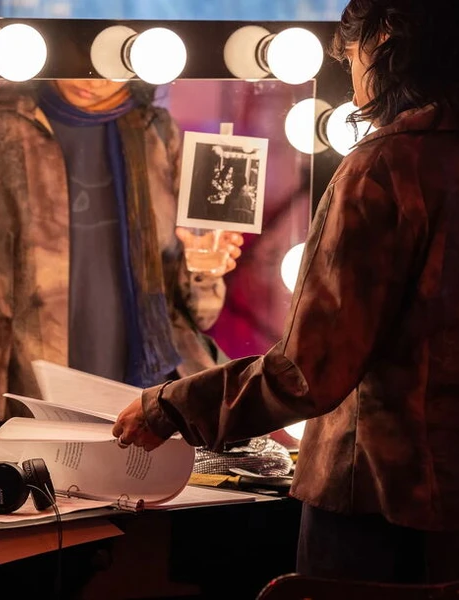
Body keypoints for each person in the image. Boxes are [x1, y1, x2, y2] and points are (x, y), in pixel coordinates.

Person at [113, 0, 459, 584]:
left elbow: (309, 370)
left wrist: (172, 405)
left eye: (350, 56)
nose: (350, 77)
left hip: (376, 499)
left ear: (386, 44)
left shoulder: (385, 168)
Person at [0, 78, 243, 428]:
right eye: (80, 53)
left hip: (156, 402)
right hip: (29, 400)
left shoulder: (158, 131)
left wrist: (202, 267)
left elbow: (197, 313)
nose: (93, 77)